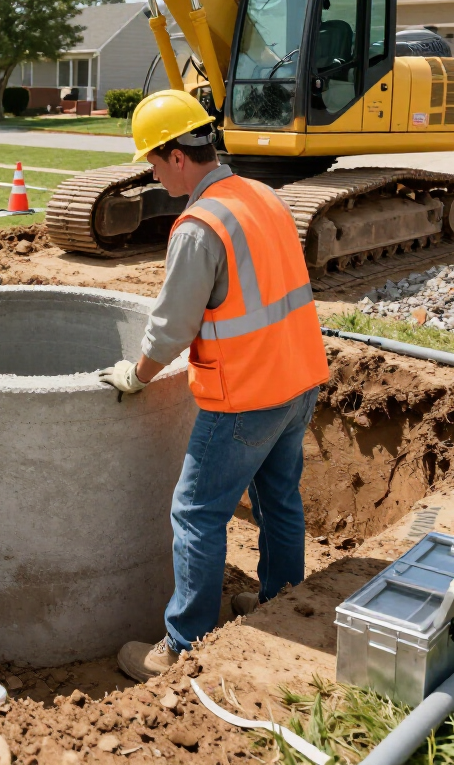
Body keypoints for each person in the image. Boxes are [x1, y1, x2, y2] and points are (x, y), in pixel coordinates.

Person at [99, 90, 329, 681]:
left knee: (197, 512)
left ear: (178, 155)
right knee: (280, 497)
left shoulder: (199, 226)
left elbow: (173, 326)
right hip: (298, 378)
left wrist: (138, 374)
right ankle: (280, 595)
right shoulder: (259, 195)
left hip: (246, 396)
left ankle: (183, 643)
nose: (152, 172)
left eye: (153, 160)